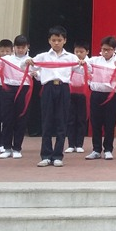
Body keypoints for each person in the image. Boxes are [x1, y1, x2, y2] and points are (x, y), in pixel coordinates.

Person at [29, 25, 82, 167]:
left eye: (59, 40)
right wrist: (27, 62)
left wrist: (83, 63)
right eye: (53, 40)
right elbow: (26, 67)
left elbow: (83, 71)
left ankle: (58, 155)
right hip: (48, 88)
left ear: (65, 40)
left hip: (63, 88)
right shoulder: (43, 56)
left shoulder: (71, 57)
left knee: (61, 121)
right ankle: (46, 155)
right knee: (47, 121)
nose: (56, 43)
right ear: (49, 41)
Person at [85, 35, 116, 161]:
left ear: (114, 50)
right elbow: (84, 67)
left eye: (108, 49)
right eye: (103, 49)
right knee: (95, 123)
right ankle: (96, 149)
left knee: (110, 123)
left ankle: (108, 149)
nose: (105, 52)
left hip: (111, 96)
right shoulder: (94, 61)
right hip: (96, 94)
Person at [0, 34, 33, 159]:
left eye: (23, 47)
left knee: (21, 118)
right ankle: (7, 148)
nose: (20, 50)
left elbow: (38, 73)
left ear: (27, 47)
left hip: (24, 89)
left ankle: (17, 148)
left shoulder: (31, 60)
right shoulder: (7, 59)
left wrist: (34, 71)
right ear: (14, 47)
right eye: (18, 47)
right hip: (8, 88)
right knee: (7, 118)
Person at [65, 39, 90, 154]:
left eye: (81, 52)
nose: (78, 54)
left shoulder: (90, 63)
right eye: (76, 52)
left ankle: (79, 144)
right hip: (71, 92)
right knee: (70, 119)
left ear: (87, 52)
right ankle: (71, 144)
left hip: (83, 94)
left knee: (81, 119)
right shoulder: (70, 62)